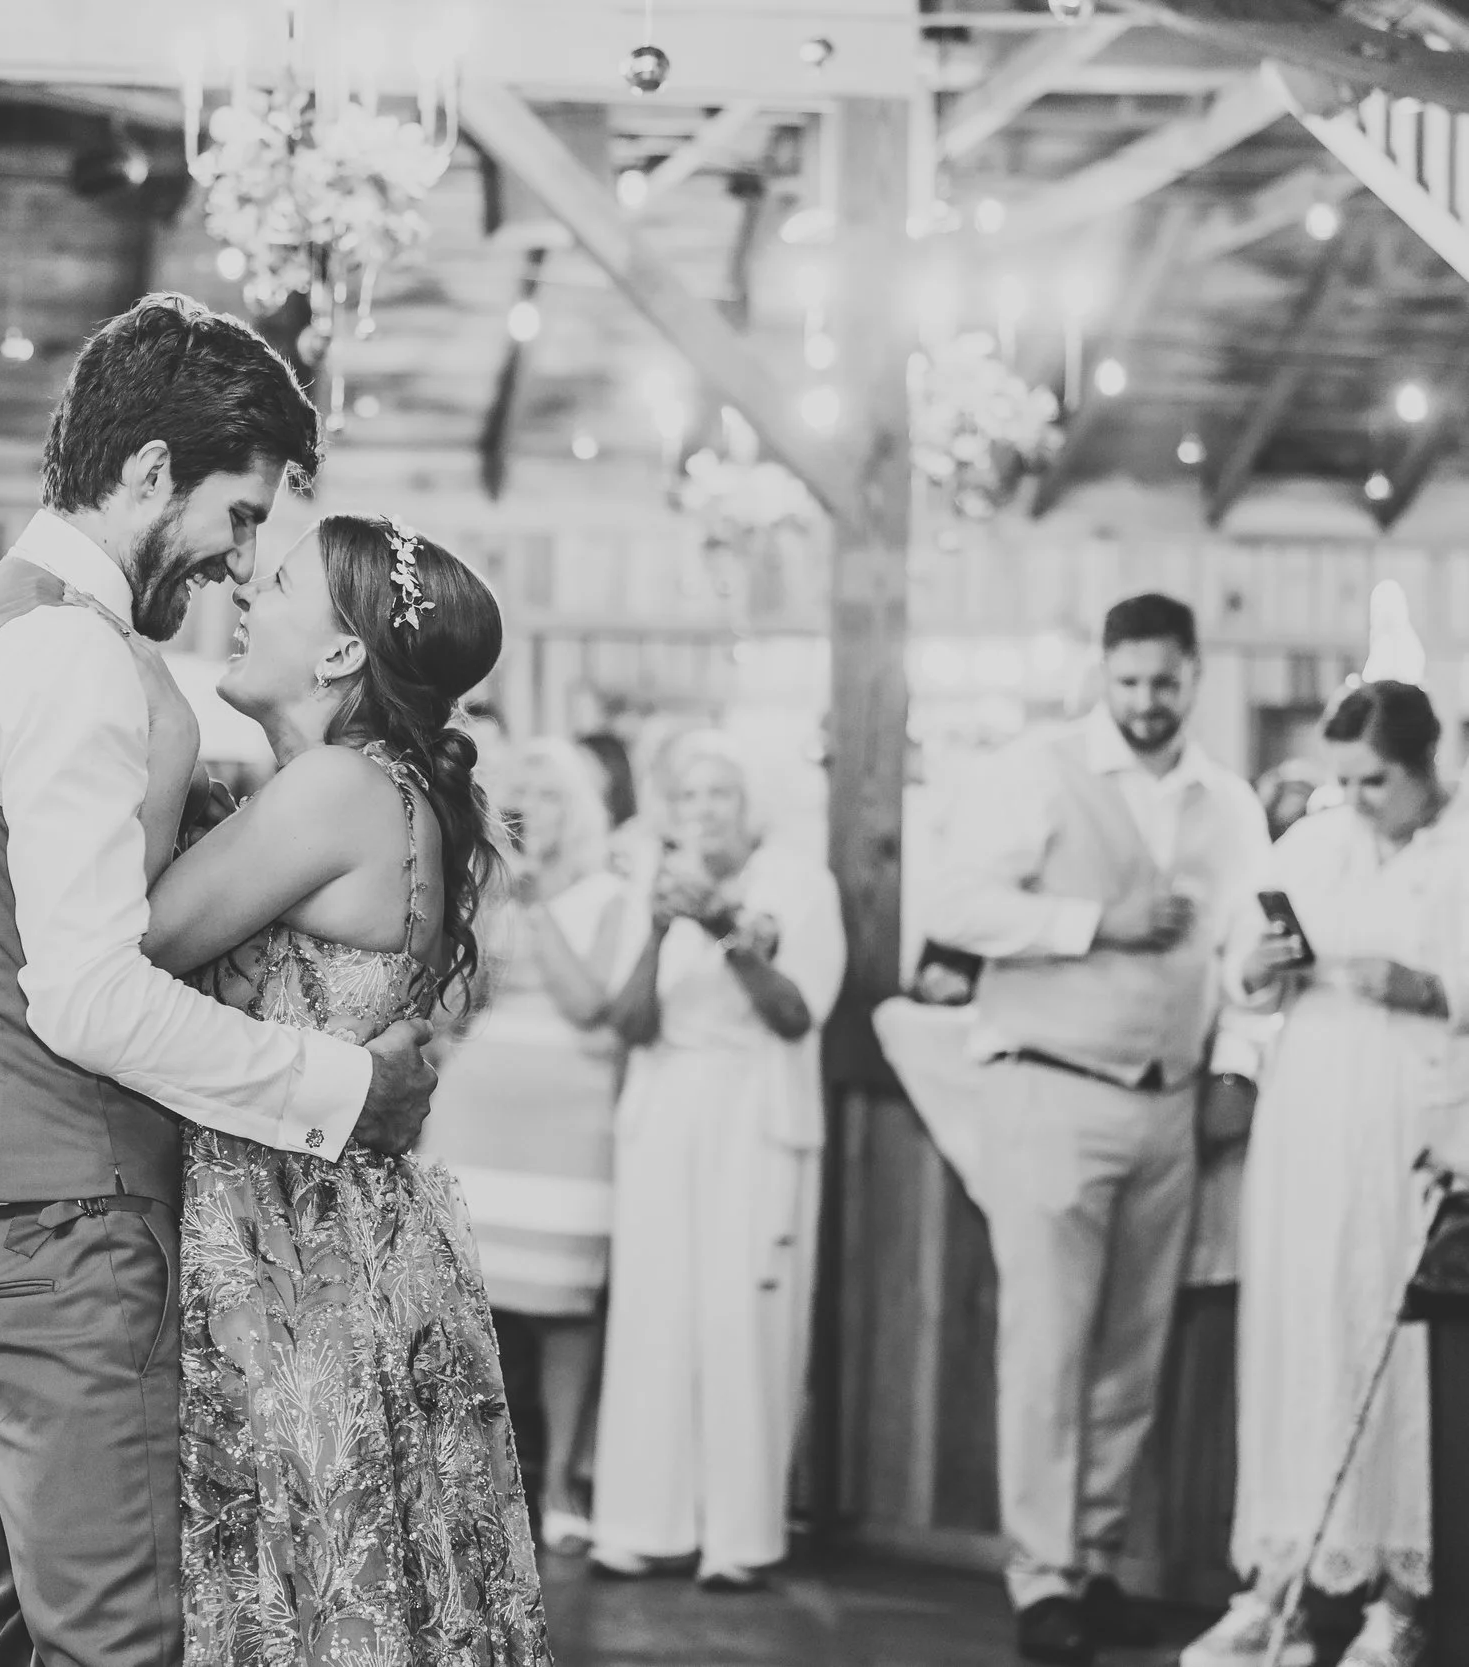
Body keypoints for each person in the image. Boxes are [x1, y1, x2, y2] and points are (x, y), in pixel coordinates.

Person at [0, 294, 441, 1667]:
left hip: (21, 1222)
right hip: (68, 1227)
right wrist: (346, 1082)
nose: (243, 562)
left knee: (38, 1633)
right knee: (120, 1643)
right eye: (241, 516)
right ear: (149, 474)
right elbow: (82, 991)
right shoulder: (71, 655)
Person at [137, 512, 548, 1663]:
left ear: (339, 653)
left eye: (275, 584)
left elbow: (135, 939)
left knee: (318, 1585)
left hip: (298, 1254)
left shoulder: (333, 789)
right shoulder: (389, 788)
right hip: (356, 1240)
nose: (244, 594)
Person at [928, 593, 1271, 1667]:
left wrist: (1233, 1066)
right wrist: (1091, 923)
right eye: (1126, 680)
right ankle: (1040, 1579)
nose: (1144, 701)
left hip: (1170, 1102)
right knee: (1046, 1349)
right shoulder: (1039, 769)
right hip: (1051, 1088)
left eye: (1163, 681)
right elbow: (956, 903)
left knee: (1132, 1352)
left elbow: (1249, 953)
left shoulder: (1231, 801)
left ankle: (1099, 1561)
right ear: (1103, 673)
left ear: (1194, 673)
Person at [1181, 681, 1464, 1667]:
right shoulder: (1308, 843)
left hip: (1410, 1112)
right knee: (1298, 1330)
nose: (1354, 796)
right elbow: (1237, 974)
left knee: (1395, 1338)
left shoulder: (1462, 849)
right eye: (1341, 778)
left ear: (1428, 763)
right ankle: (1281, 1581)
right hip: (1307, 1113)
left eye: (1374, 779)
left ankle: (1399, 1589)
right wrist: (1257, 966)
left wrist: (1426, 984)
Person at [585, 732, 845, 1591]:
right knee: (654, 1311)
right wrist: (660, 931)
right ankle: (640, 1521)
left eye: (719, 796)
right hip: (666, 1107)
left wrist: (728, 930)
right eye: (688, 797)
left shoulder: (800, 885)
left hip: (753, 1109)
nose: (702, 812)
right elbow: (626, 1021)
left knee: (742, 1314)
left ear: (751, 806)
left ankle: (740, 1534)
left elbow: (798, 1013)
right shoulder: (645, 886)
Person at [422, 735, 628, 1552]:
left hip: (572, 1120)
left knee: (566, 1303)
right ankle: (477, 1484)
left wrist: (540, 908)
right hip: (479, 1112)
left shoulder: (610, 895)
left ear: (574, 810)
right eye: (519, 795)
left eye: (547, 795)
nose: (530, 809)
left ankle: (564, 1479)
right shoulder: (488, 893)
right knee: (472, 1297)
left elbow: (590, 1005)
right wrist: (486, 915)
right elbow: (457, 1007)